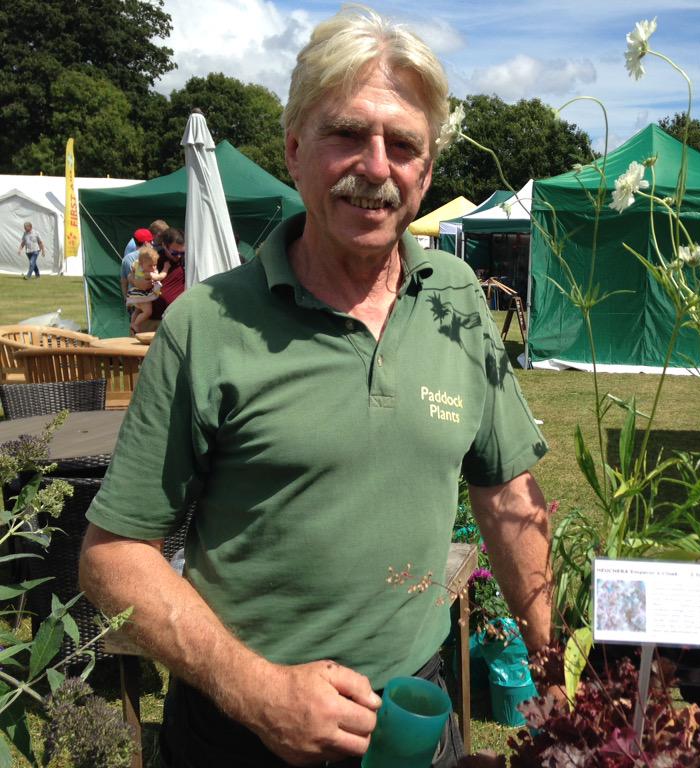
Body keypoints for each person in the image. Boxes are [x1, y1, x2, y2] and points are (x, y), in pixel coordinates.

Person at [79, 7, 553, 768]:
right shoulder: (208, 322)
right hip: (238, 734)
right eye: (347, 134)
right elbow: (111, 557)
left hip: (415, 723)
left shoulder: (459, 298)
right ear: (295, 148)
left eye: (403, 145)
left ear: (426, 173)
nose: (376, 166)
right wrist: (257, 689)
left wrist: (556, 659)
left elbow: (507, 493)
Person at [125, 245, 167, 333]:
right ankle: (135, 324)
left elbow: (133, 266)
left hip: (135, 294)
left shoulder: (137, 265)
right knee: (147, 312)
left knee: (138, 310)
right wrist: (165, 269)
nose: (154, 268)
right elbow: (160, 277)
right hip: (142, 295)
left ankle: (132, 323)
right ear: (142, 264)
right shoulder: (148, 274)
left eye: (155, 265)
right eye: (150, 266)